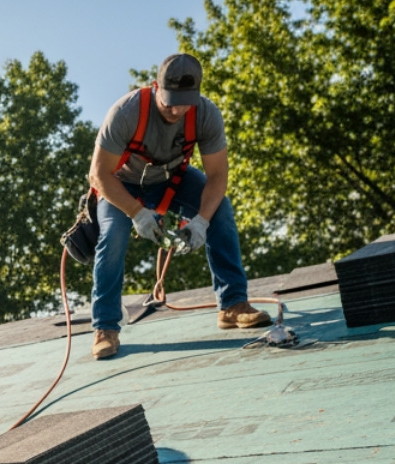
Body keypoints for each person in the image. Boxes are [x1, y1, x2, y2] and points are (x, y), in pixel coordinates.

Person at [88, 53, 272, 360]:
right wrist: (136, 213)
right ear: (155, 87)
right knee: (113, 236)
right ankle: (105, 327)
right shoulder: (126, 112)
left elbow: (217, 177)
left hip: (172, 180)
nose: (176, 109)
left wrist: (201, 221)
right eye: (169, 101)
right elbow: (99, 174)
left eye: (185, 102)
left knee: (221, 212)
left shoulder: (206, 115)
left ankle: (232, 304)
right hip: (120, 185)